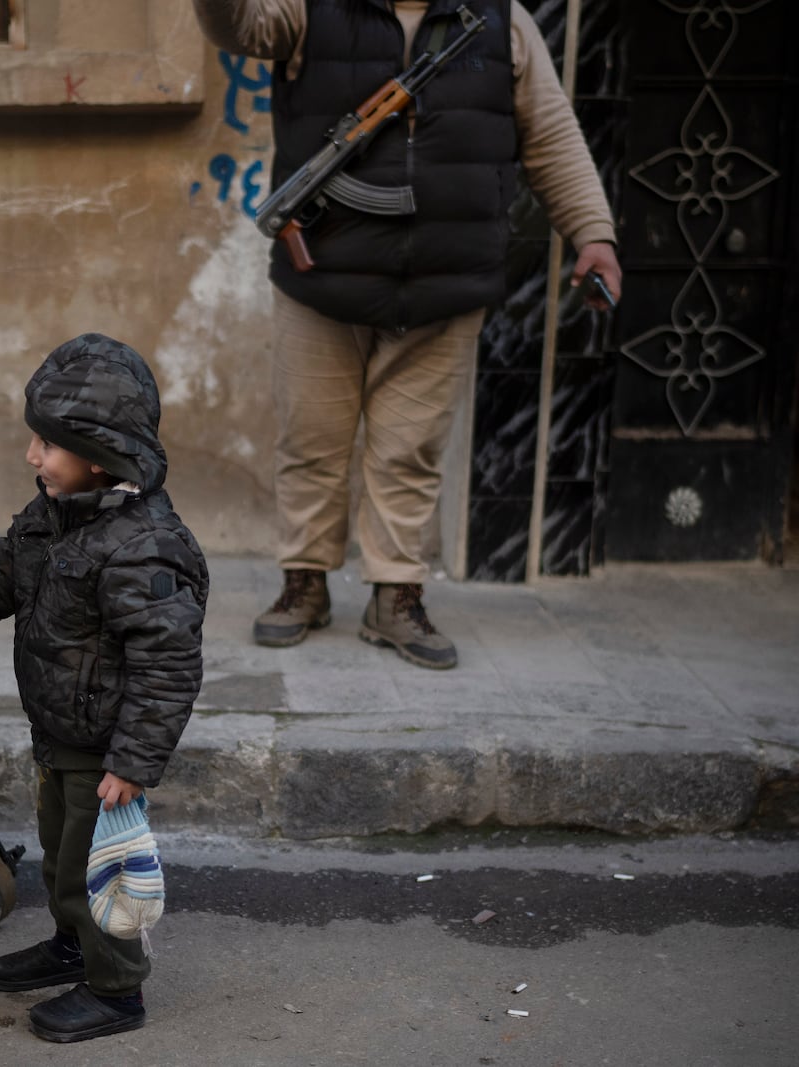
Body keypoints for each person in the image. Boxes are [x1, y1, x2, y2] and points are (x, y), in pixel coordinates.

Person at [192, 0, 621, 668]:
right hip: (325, 278)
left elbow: (551, 135)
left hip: (446, 281)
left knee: (411, 448)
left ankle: (396, 593)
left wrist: (593, 233)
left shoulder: (502, 21)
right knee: (312, 440)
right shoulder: (309, 9)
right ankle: (304, 581)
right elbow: (238, 28)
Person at [0, 333, 208, 1043]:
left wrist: (133, 761)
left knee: (95, 862)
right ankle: (72, 944)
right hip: (59, 731)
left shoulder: (143, 544)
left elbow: (168, 662)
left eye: (47, 444)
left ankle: (116, 989)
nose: (32, 456)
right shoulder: (50, 518)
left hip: (105, 747)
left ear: (99, 454)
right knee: (60, 849)